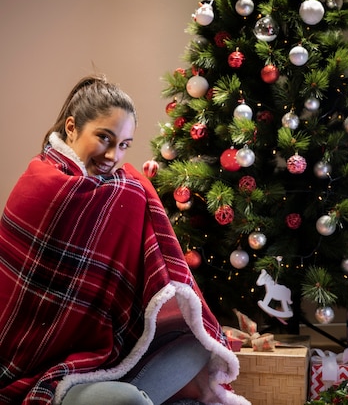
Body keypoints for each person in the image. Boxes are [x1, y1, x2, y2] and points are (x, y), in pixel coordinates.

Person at [0, 75, 249, 405]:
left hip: (108, 354)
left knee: (197, 345)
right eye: (104, 138)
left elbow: (141, 278)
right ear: (72, 128)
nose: (113, 155)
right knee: (127, 400)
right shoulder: (41, 184)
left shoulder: (123, 189)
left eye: (124, 145)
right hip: (39, 369)